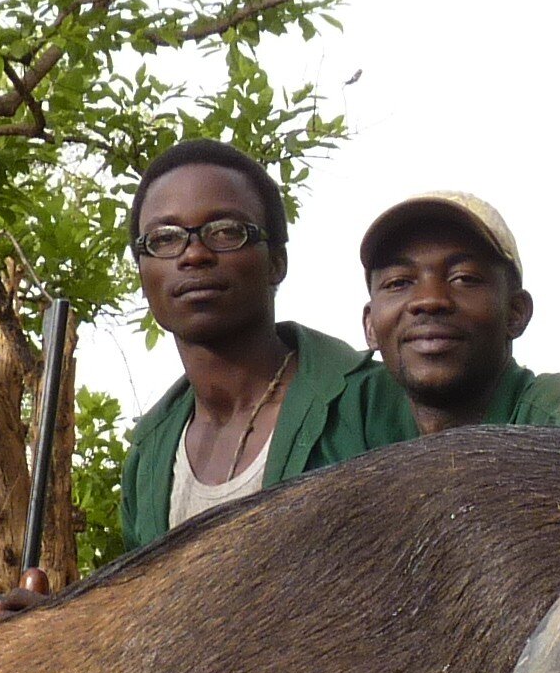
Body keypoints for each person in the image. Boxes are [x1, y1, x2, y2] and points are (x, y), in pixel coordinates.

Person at [113, 138, 418, 548]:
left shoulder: (374, 403)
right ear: (142, 273)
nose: (194, 255)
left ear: (276, 262)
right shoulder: (148, 453)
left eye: (225, 232)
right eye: (165, 239)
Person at [357, 188, 560, 435]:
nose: (430, 300)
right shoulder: (367, 439)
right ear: (370, 327)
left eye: (463, 278)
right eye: (398, 282)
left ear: (516, 312)